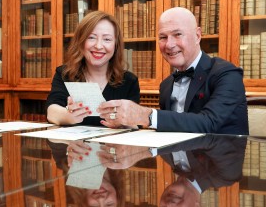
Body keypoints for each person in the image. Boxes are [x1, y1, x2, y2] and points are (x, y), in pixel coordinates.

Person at [97, 7, 248, 135]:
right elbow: (170, 130)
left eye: (177, 34)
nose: (169, 44)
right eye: (163, 37)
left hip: (216, 166)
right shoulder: (166, 86)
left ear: (197, 36)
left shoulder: (227, 74)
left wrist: (146, 116)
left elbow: (209, 123)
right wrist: (128, 125)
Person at [46, 11, 140, 127]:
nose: (98, 46)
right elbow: (52, 112)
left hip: (110, 144)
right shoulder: (65, 73)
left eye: (107, 39)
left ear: (116, 45)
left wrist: (123, 122)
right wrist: (68, 116)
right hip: (73, 144)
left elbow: (135, 123)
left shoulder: (129, 81)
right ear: (81, 41)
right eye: (91, 37)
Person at [157, 134, 247, 207]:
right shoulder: (226, 175)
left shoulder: (165, 156)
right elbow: (212, 139)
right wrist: (150, 151)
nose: (169, 205)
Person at [47, 139, 125, 207]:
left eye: (94, 206)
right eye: (109, 204)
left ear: (84, 202)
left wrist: (69, 141)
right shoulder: (123, 160)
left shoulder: (66, 164)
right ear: (117, 197)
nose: (101, 199)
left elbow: (51, 135)